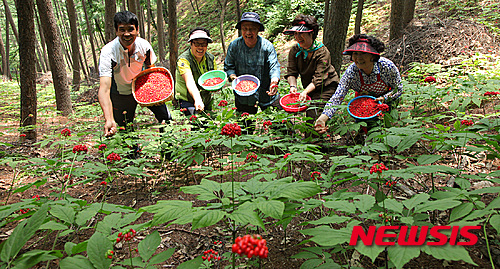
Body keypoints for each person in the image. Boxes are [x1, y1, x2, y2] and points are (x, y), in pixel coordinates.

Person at [98, 11, 172, 137]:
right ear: (116, 31)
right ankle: (133, 155)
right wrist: (109, 118)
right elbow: (104, 89)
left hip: (142, 87)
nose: (126, 34)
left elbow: (151, 71)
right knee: (126, 129)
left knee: (166, 118)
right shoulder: (108, 52)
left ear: (137, 30)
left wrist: (157, 93)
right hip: (120, 94)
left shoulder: (144, 46)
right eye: (122, 30)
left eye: (130, 29)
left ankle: (168, 151)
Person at [314, 34, 403, 134]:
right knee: (366, 130)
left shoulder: (387, 67)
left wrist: (385, 98)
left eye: (363, 53)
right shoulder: (351, 73)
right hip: (362, 105)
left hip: (386, 102)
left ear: (373, 55)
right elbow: (338, 96)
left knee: (385, 130)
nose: (358, 58)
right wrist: (323, 118)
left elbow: (398, 89)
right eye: (355, 53)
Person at [283, 14, 339, 134]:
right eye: (296, 34)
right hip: (310, 88)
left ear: (311, 33)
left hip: (326, 86)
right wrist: (293, 86)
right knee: (310, 112)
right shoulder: (295, 50)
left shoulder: (322, 52)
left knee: (313, 112)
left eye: (301, 33)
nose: (298, 37)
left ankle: (315, 143)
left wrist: (304, 92)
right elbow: (291, 71)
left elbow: (319, 78)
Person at [224, 12, 281, 114]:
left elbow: (274, 66)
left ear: (258, 30)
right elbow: (229, 66)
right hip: (243, 93)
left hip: (266, 90)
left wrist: (274, 82)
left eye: (252, 29)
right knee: (246, 125)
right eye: (245, 29)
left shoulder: (267, 46)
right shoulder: (234, 46)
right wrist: (233, 77)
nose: (248, 32)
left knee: (278, 123)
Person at [175, 27, 218, 116]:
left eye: (204, 44)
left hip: (205, 98)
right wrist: (197, 99)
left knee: (207, 125)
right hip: (188, 100)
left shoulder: (210, 58)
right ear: (191, 44)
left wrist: (215, 87)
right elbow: (189, 81)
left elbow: (214, 79)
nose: (200, 47)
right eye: (197, 44)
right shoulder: (183, 60)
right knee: (195, 125)